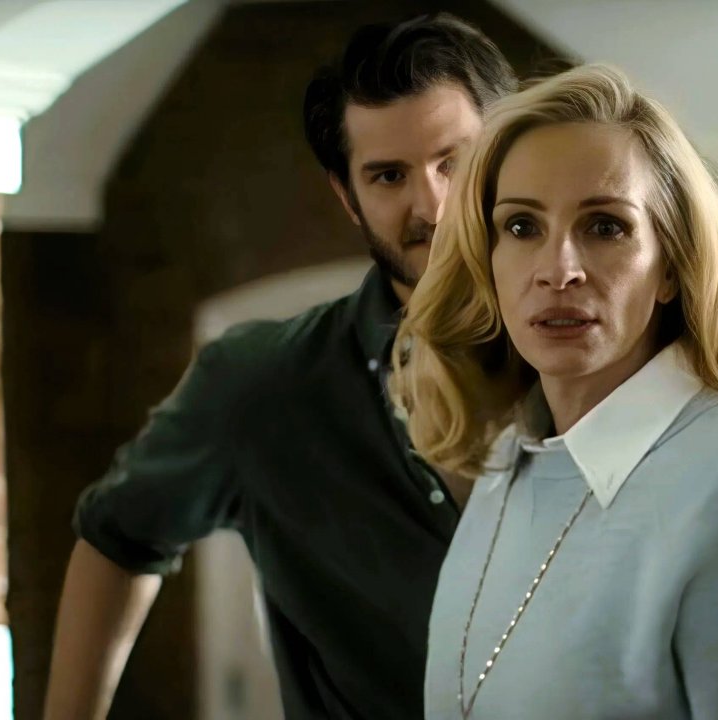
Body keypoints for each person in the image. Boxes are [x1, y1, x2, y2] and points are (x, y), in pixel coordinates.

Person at [42, 14, 517, 720]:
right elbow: (117, 537)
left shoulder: (596, 358)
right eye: (389, 175)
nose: (433, 204)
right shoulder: (264, 384)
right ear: (346, 196)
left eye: (456, 161)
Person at [392, 64, 718, 719]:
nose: (558, 270)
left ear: (671, 269)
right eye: (521, 227)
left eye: (605, 227)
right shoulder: (507, 469)